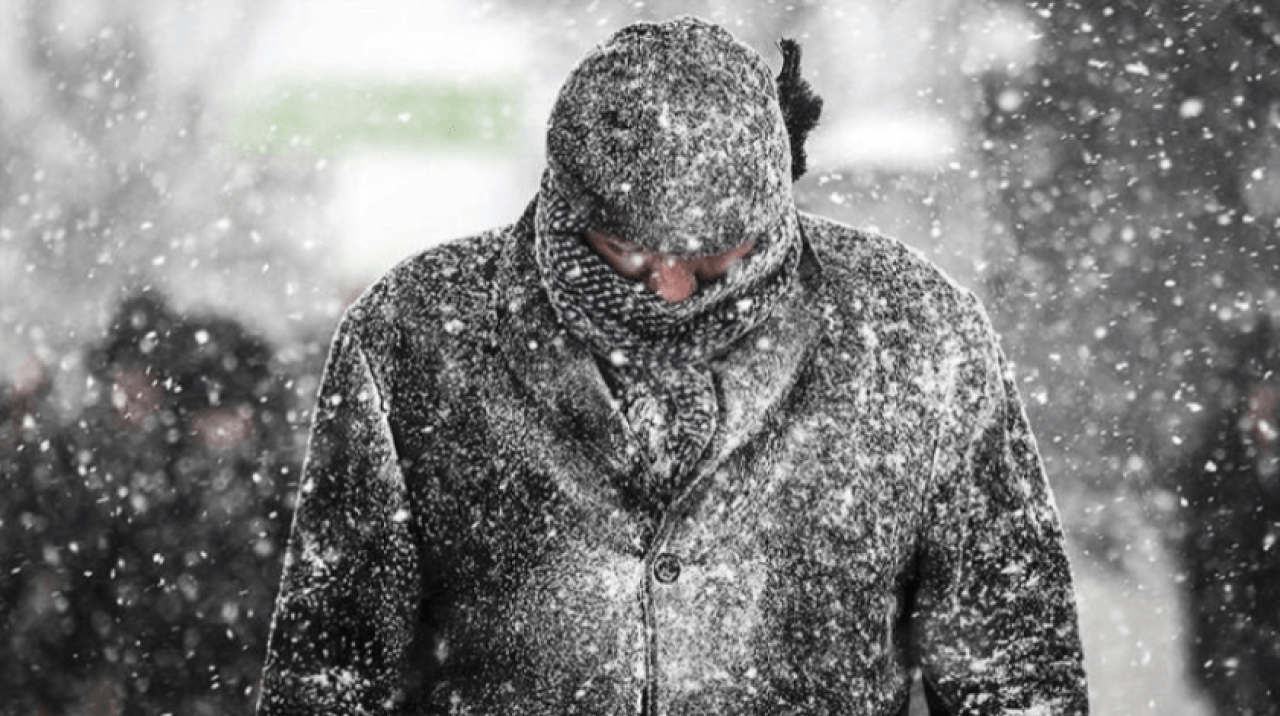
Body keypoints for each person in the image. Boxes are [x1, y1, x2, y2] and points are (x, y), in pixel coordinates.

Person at [258, 17, 1088, 715]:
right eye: (627, 251)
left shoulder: (916, 338)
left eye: (717, 255)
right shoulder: (416, 337)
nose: (673, 289)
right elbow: (333, 668)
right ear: (566, 205)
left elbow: (1013, 669)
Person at [1171, 317, 1280, 714]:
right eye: (1265, 383)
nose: (1272, 396)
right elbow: (1208, 572)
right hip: (1237, 650)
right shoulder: (1216, 462)